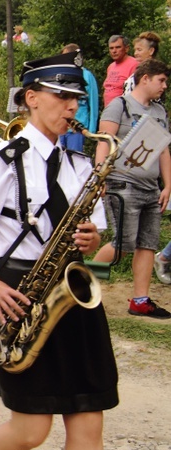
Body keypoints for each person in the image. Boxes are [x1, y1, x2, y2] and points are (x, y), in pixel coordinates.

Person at [0, 50, 118, 450]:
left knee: (88, 419)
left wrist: (91, 239)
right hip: (22, 294)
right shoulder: (1, 161)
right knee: (30, 430)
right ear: (32, 98)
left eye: (76, 97)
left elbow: (95, 235)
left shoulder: (77, 161)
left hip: (75, 294)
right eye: (61, 95)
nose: (73, 106)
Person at [92, 59, 171, 318]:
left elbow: (163, 150)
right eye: (161, 80)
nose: (165, 86)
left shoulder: (160, 111)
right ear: (145, 78)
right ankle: (77, 281)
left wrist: (168, 185)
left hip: (151, 188)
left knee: (147, 244)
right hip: (122, 183)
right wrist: (99, 177)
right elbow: (103, 142)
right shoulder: (120, 106)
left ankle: (140, 300)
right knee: (123, 243)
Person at [59, 44, 100, 152]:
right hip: (60, 125)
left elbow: (93, 103)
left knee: (74, 159)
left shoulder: (87, 75)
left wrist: (91, 130)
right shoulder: (60, 75)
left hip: (77, 127)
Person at [104, 35, 138, 106]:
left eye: (118, 47)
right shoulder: (111, 66)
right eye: (111, 48)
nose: (114, 51)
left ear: (126, 48)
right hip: (109, 110)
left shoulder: (134, 64)